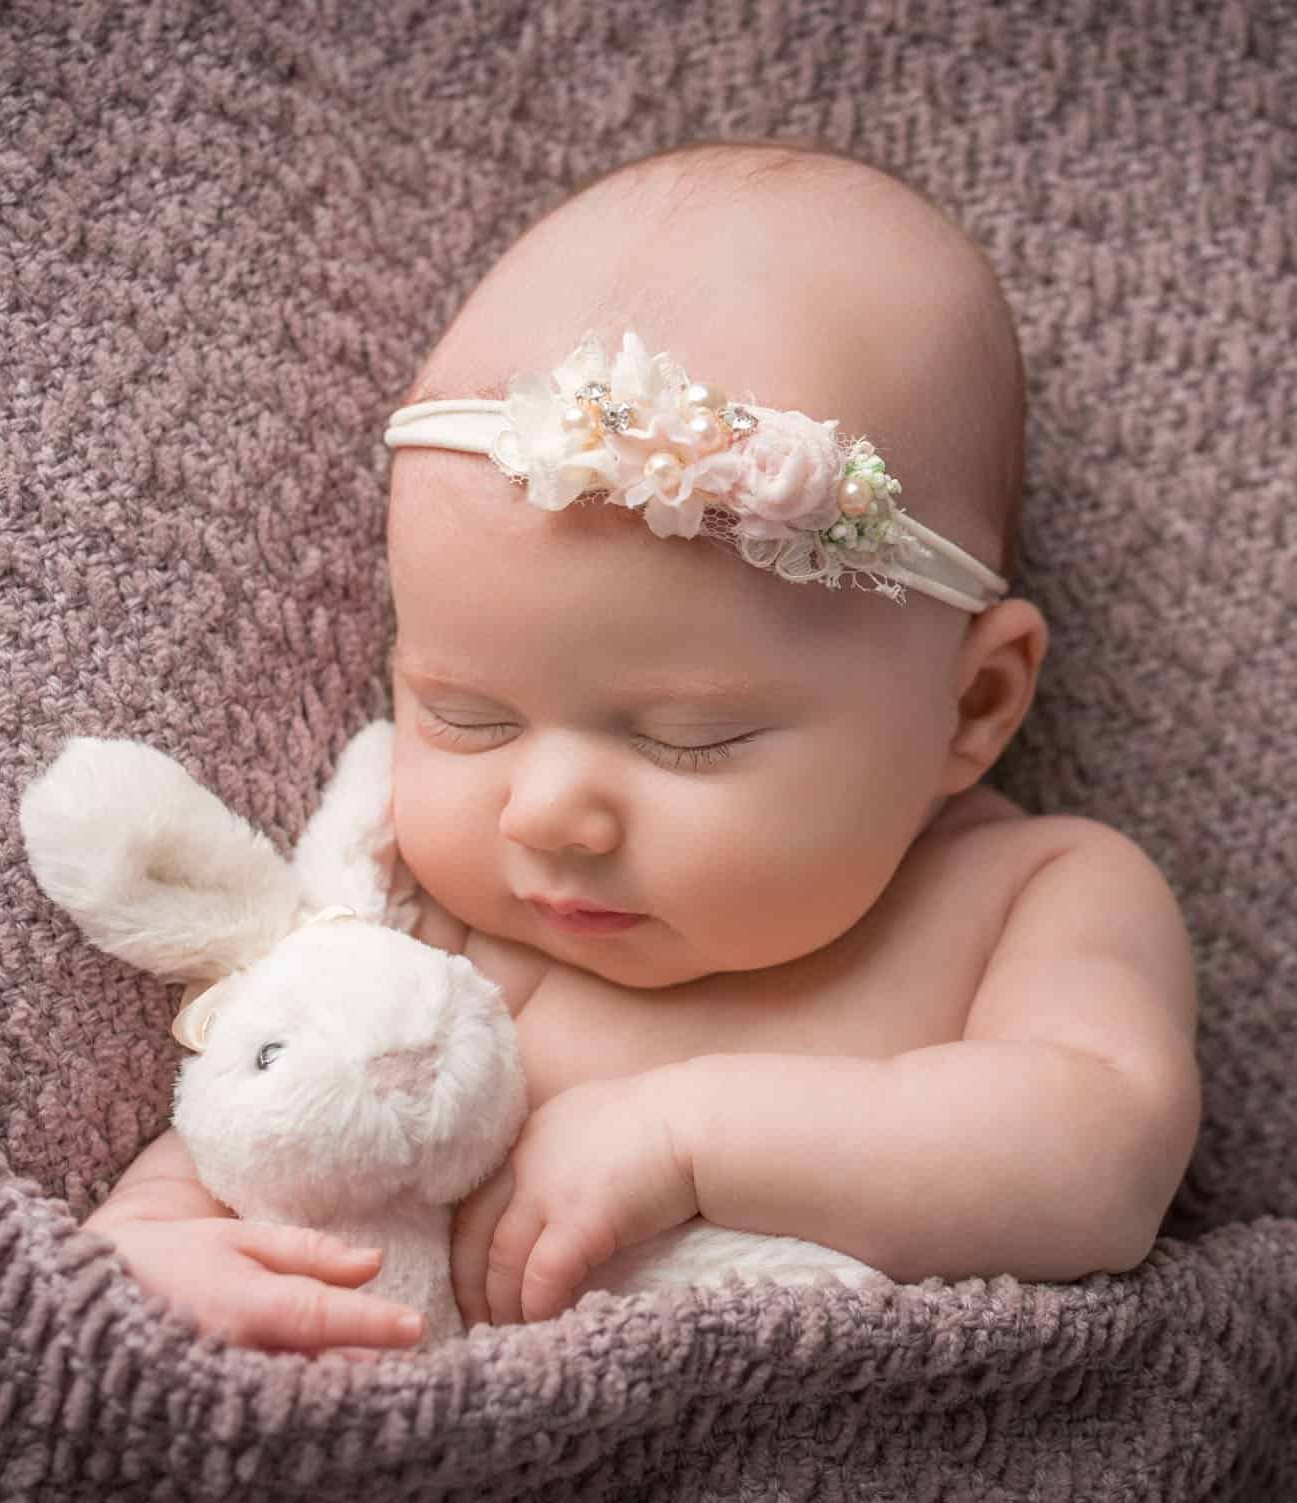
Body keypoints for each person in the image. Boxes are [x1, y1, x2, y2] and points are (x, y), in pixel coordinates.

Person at [83, 140, 1200, 1358]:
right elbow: (269, 1104)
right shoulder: (425, 921)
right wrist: (151, 1236)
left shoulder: (1032, 897)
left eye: (689, 738)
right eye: (467, 716)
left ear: (973, 702)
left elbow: (1103, 1165)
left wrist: (692, 1137)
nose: (545, 812)